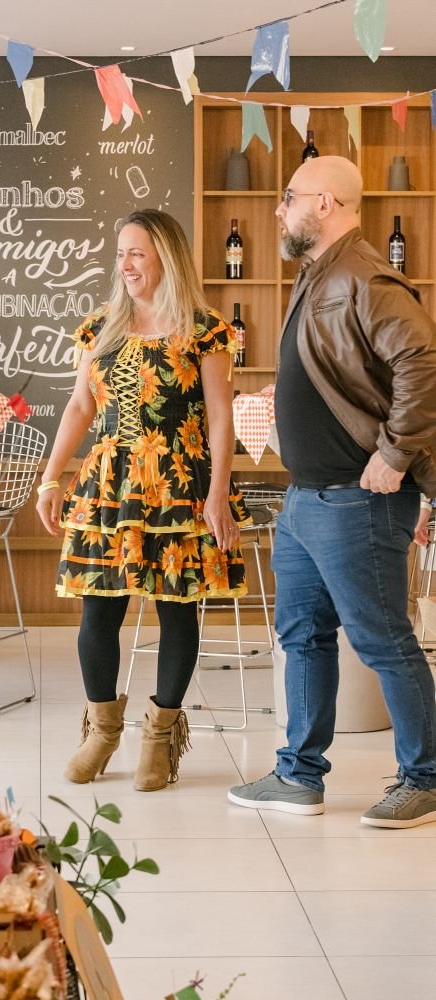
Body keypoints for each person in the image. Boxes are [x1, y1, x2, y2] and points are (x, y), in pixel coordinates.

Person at [228, 155, 436, 828]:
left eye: (289, 197)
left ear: (325, 203)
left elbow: (423, 361)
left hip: (357, 500)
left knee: (382, 641)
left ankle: (427, 779)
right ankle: (298, 776)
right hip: (307, 498)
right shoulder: (321, 272)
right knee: (303, 636)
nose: (279, 209)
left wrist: (395, 454)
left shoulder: (365, 276)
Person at [36, 208, 250, 791]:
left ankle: (160, 737)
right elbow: (80, 407)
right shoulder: (100, 325)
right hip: (107, 487)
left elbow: (221, 416)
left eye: (137, 253)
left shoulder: (205, 329)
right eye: (120, 253)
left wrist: (218, 493)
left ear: (166, 258)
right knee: (98, 612)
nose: (125, 265)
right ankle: (101, 733)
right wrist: (51, 478)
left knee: (177, 609)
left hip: (179, 482)